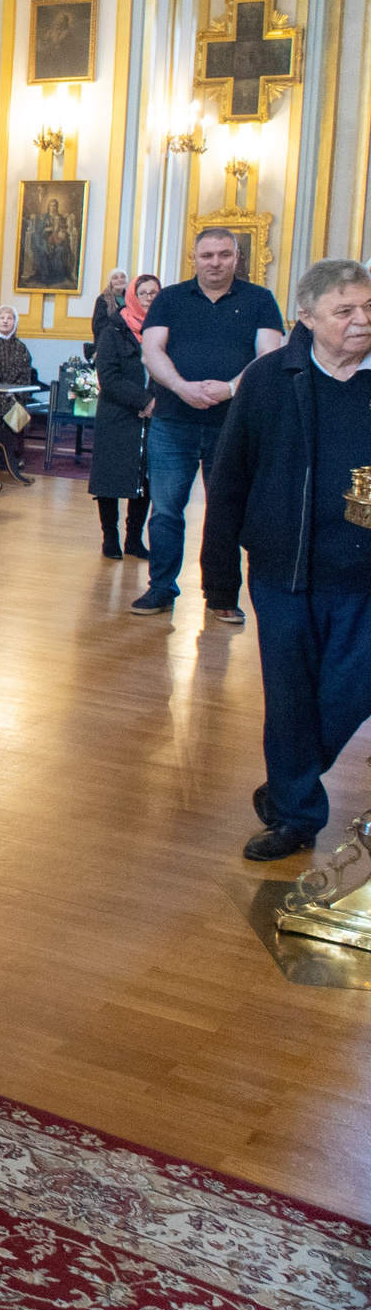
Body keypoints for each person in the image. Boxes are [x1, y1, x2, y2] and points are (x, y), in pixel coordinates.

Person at [202, 259, 371, 861]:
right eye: (345, 311)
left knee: (354, 687)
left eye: (368, 309)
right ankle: (298, 815)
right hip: (284, 572)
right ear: (307, 316)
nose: (361, 321)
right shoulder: (271, 378)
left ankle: (286, 783)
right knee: (291, 696)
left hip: (363, 578)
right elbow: (229, 481)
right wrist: (217, 578)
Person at [135, 226, 287, 621]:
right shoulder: (169, 298)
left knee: (225, 509)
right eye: (207, 255)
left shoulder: (260, 299)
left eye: (224, 254)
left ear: (237, 257)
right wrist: (182, 387)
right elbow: (152, 351)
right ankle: (161, 588)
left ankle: (221, 596)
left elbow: (269, 357)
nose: (215, 262)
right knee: (166, 509)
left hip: (233, 424)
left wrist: (232, 388)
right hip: (173, 419)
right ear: (195, 258)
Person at [91, 273, 160, 561]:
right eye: (143, 293)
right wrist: (144, 400)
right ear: (132, 295)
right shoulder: (113, 330)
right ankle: (111, 538)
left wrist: (157, 401)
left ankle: (134, 539)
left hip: (153, 415)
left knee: (144, 479)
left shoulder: (163, 331)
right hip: (118, 413)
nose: (148, 298)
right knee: (110, 477)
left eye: (154, 293)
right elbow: (108, 377)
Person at [0, 305, 37, 386]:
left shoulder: (21, 347)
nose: (5, 321)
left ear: (15, 322)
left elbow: (24, 376)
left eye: (9, 318)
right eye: (1, 318)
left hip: (14, 393)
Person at [91, 267, 130, 344]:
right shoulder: (103, 299)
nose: (120, 280)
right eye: (115, 278)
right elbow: (98, 324)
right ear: (110, 282)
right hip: (109, 340)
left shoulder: (131, 298)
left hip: (128, 340)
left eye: (123, 277)